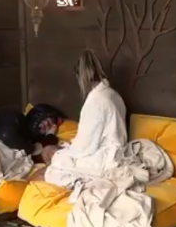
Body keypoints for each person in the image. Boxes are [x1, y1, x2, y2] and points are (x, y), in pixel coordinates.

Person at [42, 49, 127, 186]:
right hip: (114, 151)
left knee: (49, 163)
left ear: (82, 77)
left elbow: (86, 148)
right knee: (52, 153)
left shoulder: (96, 102)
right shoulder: (113, 94)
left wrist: (65, 151)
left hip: (103, 160)